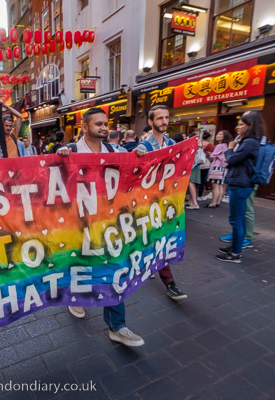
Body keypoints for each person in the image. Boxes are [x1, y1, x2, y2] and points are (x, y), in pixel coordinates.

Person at [56, 108, 147, 347]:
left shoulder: (116, 151)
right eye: (98, 124)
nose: (104, 128)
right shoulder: (71, 151)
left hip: (110, 223)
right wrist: (60, 160)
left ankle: (117, 326)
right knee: (80, 264)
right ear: (85, 127)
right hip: (79, 223)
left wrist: (140, 156)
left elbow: (134, 172)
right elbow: (53, 181)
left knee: (114, 268)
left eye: (106, 124)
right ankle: (76, 297)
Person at [136, 105, 188, 301]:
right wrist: (138, 159)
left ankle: (148, 265)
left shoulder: (173, 143)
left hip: (168, 202)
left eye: (166, 117)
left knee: (158, 239)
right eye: (160, 118)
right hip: (148, 204)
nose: (164, 121)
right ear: (151, 122)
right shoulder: (144, 147)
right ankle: (169, 283)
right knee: (159, 240)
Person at [215, 111, 262, 263]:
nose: (237, 127)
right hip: (241, 182)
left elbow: (232, 159)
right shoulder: (249, 141)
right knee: (238, 218)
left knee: (237, 219)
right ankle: (235, 247)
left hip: (241, 183)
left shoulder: (250, 142)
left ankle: (235, 253)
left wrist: (230, 148)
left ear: (250, 126)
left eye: (241, 124)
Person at [207, 130, 233, 208]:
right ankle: (218, 201)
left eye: (220, 134)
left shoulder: (220, 145)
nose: (217, 135)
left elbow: (213, 155)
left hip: (217, 166)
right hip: (224, 167)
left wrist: (211, 154)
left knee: (215, 185)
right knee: (220, 185)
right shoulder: (227, 145)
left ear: (224, 136)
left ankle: (213, 203)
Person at [198, 131, 215, 200]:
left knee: (195, 180)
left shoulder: (199, 143)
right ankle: (200, 195)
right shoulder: (211, 146)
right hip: (206, 164)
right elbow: (212, 157)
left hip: (197, 164)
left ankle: (192, 195)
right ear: (209, 138)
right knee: (202, 180)